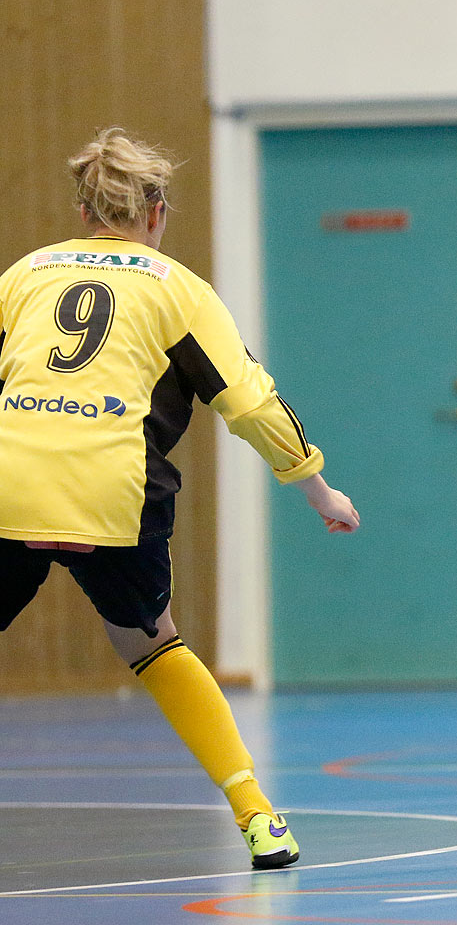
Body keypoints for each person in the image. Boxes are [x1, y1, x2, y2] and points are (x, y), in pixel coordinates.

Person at [0, 129, 361, 868]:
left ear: (83, 211)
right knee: (152, 643)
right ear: (157, 212)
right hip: (113, 494)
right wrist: (319, 490)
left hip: (10, 485)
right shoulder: (177, 288)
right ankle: (258, 818)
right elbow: (252, 405)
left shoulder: (25, 274)